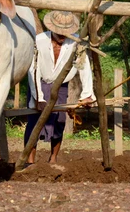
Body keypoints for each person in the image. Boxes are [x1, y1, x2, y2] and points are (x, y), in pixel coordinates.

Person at [24, 11, 95, 164]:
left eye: (66, 32)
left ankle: (53, 159)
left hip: (61, 86)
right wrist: (39, 97)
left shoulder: (77, 44)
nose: (63, 35)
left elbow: (84, 68)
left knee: (60, 122)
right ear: (52, 28)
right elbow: (32, 70)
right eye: (59, 31)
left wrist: (87, 95)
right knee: (34, 122)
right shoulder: (39, 41)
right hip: (38, 84)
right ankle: (30, 161)